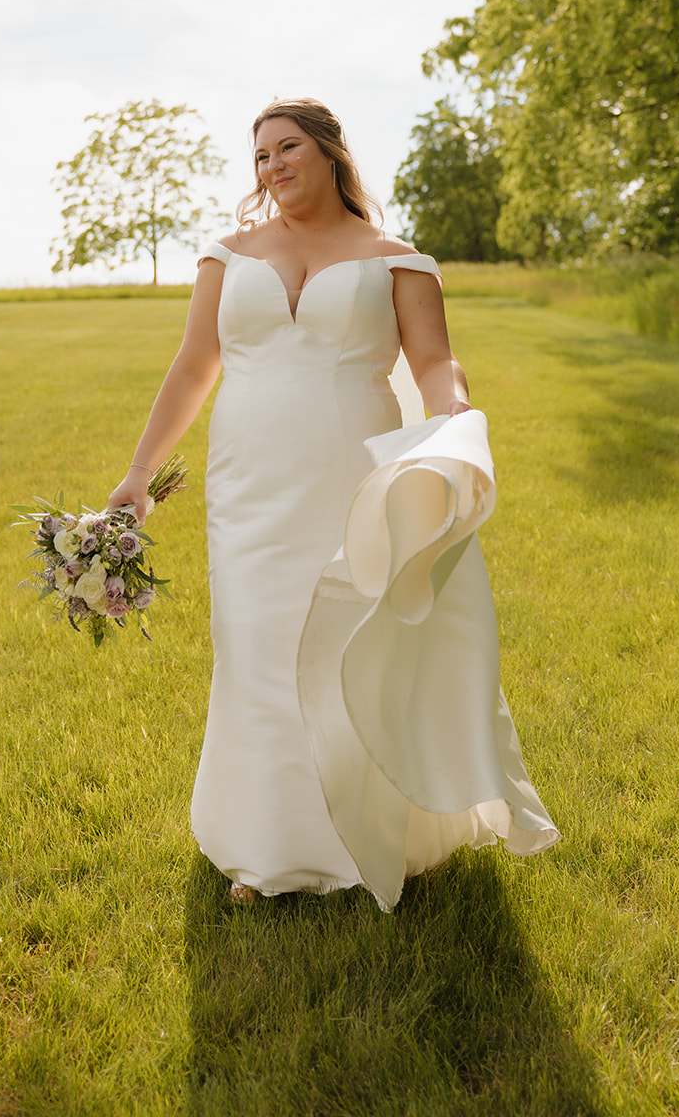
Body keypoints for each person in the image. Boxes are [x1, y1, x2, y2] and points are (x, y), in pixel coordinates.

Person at [107, 97, 558, 908]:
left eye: (287, 149)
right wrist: (140, 472)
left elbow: (433, 364)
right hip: (248, 480)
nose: (272, 167)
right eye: (260, 157)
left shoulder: (396, 259)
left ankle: (361, 837)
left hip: (352, 474)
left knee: (347, 642)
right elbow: (192, 366)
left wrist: (452, 415)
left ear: (328, 153)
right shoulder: (226, 254)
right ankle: (264, 851)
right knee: (254, 646)